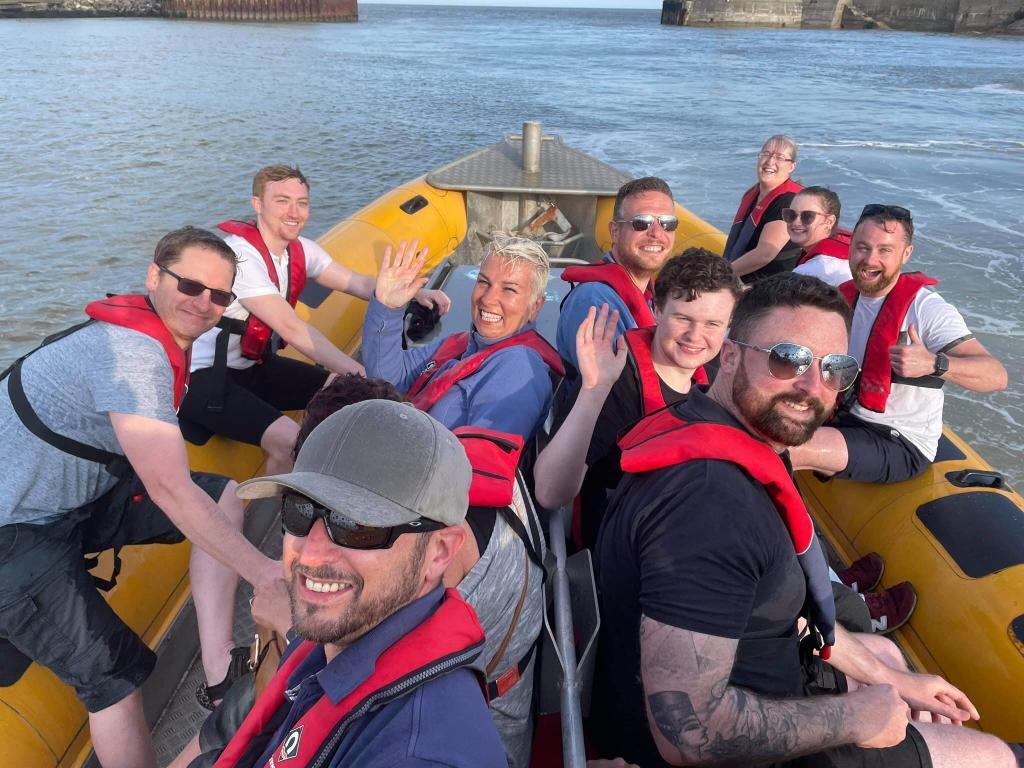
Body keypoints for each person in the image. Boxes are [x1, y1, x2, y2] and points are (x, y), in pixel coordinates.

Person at [591, 274, 1018, 768]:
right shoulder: (711, 506)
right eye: (787, 358)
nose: (813, 386)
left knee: (893, 662)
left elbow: (767, 610)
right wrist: (857, 716)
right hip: (742, 749)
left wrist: (894, 684)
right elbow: (691, 733)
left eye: (835, 367)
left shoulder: (708, 425)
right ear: (728, 357)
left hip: (760, 673)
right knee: (992, 755)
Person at [0, 227, 281, 768]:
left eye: (220, 296)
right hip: (15, 530)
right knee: (113, 677)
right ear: (154, 277)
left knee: (222, 497)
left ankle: (221, 674)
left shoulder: (148, 340)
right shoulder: (132, 355)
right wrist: (263, 572)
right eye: (192, 286)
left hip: (70, 498)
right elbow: (170, 489)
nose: (205, 304)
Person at [214, 399, 508, 767]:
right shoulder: (341, 633)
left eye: (358, 525)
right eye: (300, 511)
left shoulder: (420, 753)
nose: (310, 555)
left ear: (440, 552)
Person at [178, 165, 449, 473]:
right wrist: (371, 378)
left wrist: (414, 293)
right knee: (290, 439)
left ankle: (350, 470)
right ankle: (282, 511)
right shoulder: (239, 256)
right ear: (257, 205)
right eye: (282, 201)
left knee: (341, 389)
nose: (294, 212)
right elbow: (291, 328)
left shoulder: (300, 250)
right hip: (203, 377)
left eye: (302, 202)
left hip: (249, 369)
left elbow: (358, 284)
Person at [534, 248, 742, 547]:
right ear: (657, 310)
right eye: (683, 318)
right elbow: (549, 492)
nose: (695, 336)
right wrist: (594, 391)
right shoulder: (617, 378)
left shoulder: (719, 373)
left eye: (712, 324)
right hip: (622, 546)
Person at [790, 204, 1008, 484]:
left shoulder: (926, 310)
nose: (869, 259)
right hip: (846, 418)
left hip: (898, 441)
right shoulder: (841, 298)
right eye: (862, 247)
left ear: (906, 254)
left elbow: (996, 376)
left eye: (885, 250)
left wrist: (934, 363)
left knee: (786, 446)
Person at [363, 234, 563, 441]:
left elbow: (481, 464)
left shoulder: (518, 370)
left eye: (509, 289)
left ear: (535, 307)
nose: (488, 299)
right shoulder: (462, 344)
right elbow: (388, 381)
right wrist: (387, 308)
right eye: (484, 283)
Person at [556, 176, 678, 374]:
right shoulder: (594, 301)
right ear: (615, 232)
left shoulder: (651, 295)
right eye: (641, 223)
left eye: (667, 223)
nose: (656, 233)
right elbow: (618, 390)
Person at [723, 134, 803, 283]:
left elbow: (765, 253)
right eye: (766, 154)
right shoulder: (752, 193)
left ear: (791, 166)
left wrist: (721, 276)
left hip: (771, 285)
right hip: (742, 276)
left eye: (780, 157)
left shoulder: (790, 201)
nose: (770, 161)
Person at [789, 185, 854, 287]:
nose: (796, 222)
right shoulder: (848, 248)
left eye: (808, 216)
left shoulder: (811, 271)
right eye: (791, 214)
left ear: (829, 221)